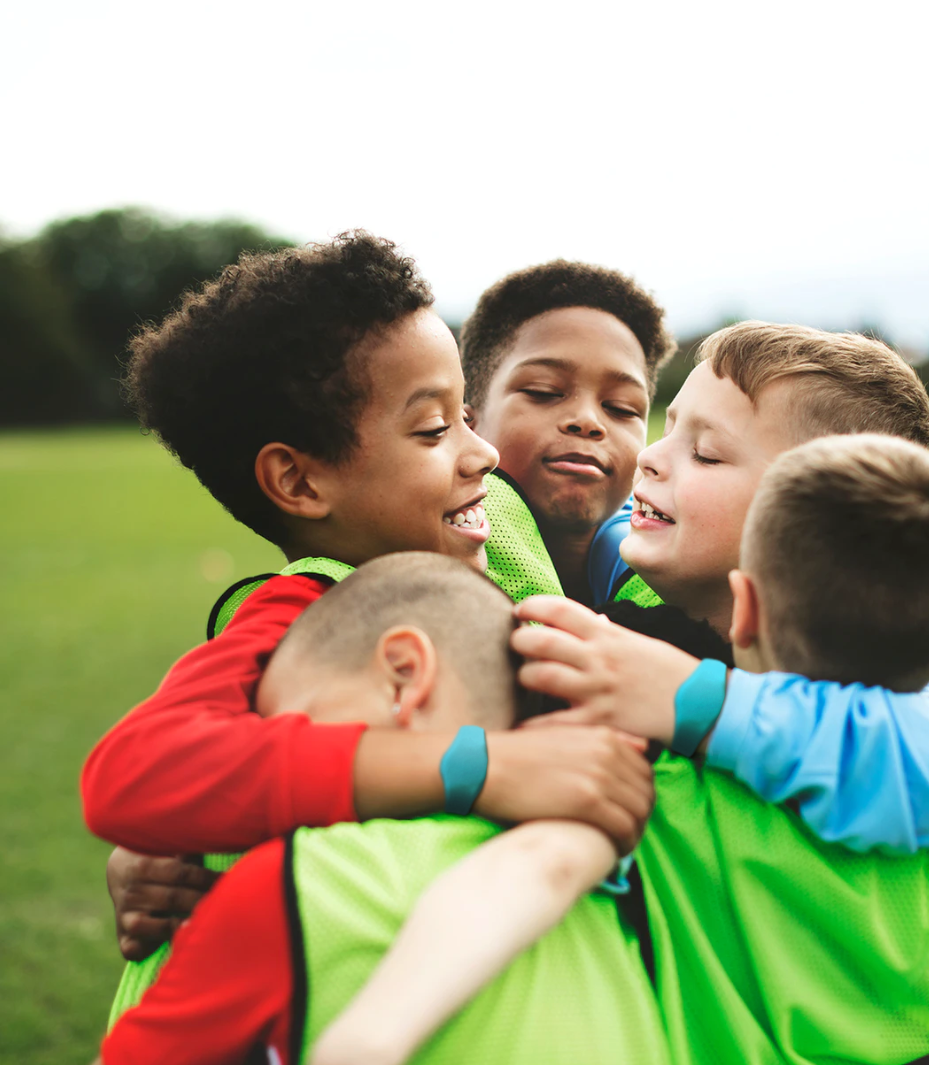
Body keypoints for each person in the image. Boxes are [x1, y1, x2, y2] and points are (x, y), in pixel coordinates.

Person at [314, 324, 929, 1065]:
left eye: (707, 451)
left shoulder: (707, 760)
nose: (649, 458)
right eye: (667, 426)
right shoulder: (632, 565)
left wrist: (694, 699)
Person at [82, 232, 656, 1018]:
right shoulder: (302, 610)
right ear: (297, 479)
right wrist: (480, 767)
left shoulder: (495, 520)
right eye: (433, 429)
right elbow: (137, 775)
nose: (481, 452)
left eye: (465, 414)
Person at [96, 553, 671, 1065]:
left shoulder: (302, 883)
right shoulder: (613, 890)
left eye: (293, 725)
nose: (275, 776)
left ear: (403, 678)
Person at [459, 260, 676, 603]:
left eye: (621, 407)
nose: (588, 420)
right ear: (467, 424)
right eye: (543, 392)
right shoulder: (403, 570)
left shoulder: (687, 584)